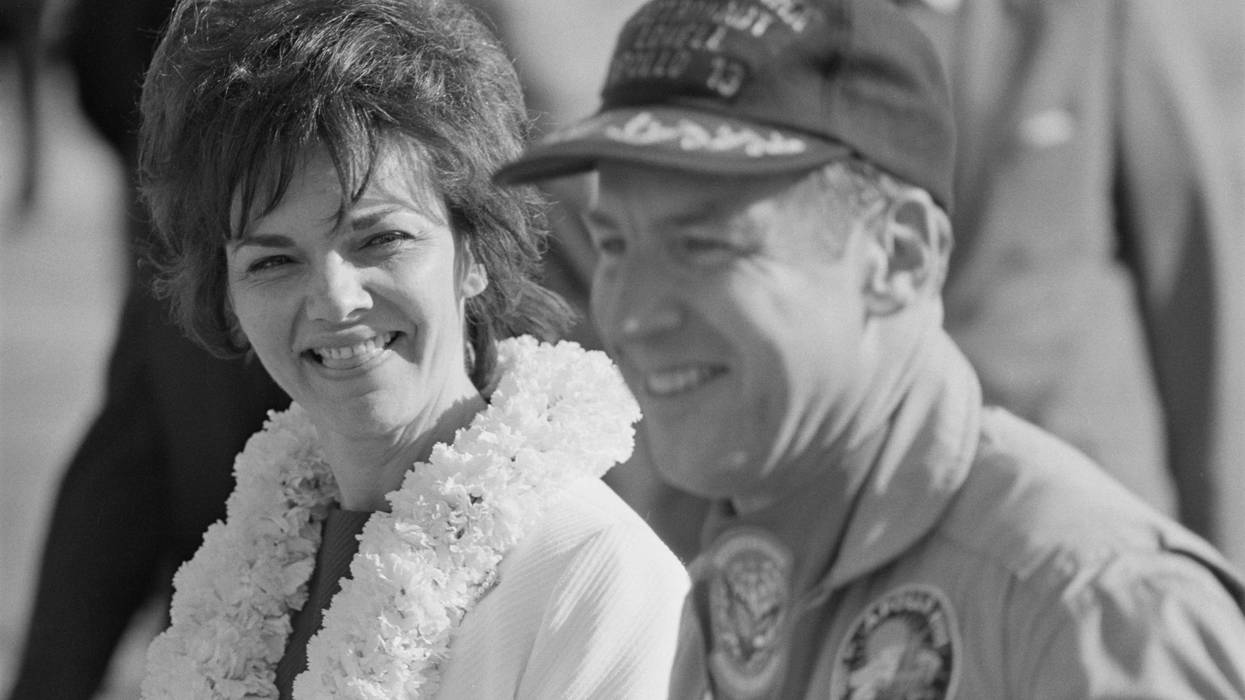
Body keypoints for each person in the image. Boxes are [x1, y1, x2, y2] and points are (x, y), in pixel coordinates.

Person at [495, 0, 1245, 696]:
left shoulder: (1093, 609)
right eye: (615, 243)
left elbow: (1198, 293)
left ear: (901, 255)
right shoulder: (723, 600)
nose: (631, 312)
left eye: (703, 245)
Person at [135, 0, 687, 696]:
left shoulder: (592, 575)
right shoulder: (239, 581)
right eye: (273, 261)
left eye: (380, 238)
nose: (335, 299)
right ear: (230, 298)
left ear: (476, 251)